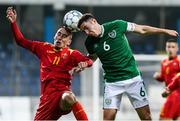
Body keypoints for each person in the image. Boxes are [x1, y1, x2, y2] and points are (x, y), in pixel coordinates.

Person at [77, 13, 179, 120]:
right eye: (84, 31)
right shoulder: (89, 42)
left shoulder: (117, 25)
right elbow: (93, 57)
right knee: (107, 119)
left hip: (133, 79)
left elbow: (142, 29)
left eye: (86, 28)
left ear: (93, 21)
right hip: (112, 83)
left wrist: (165, 31)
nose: (87, 32)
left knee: (146, 117)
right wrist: (85, 63)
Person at [6, 7, 93, 120]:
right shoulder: (43, 48)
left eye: (64, 36)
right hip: (46, 100)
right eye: (59, 34)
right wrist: (13, 23)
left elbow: (89, 61)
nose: (60, 37)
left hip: (62, 95)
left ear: (69, 42)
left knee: (69, 97)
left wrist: (85, 64)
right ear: (54, 36)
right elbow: (20, 41)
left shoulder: (72, 54)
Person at [154, 39, 180, 120]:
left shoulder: (179, 61)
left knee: (163, 118)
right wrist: (158, 77)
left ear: (177, 48)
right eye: (168, 47)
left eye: (173, 47)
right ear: (166, 48)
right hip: (170, 95)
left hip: (175, 95)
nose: (170, 49)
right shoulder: (164, 62)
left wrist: (169, 89)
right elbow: (164, 78)